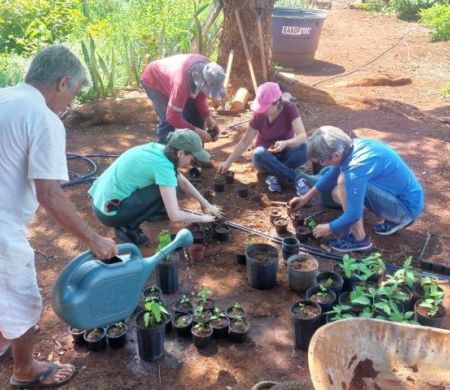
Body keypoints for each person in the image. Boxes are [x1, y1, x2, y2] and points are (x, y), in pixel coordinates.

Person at [0, 45, 117, 388]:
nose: (71, 103)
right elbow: (49, 194)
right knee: (21, 296)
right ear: (63, 82)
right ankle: (25, 370)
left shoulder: (5, 96)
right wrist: (94, 239)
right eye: (75, 92)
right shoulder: (43, 118)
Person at [288, 126, 425, 252]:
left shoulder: (355, 168)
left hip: (405, 208)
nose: (322, 164)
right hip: (407, 201)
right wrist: (305, 198)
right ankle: (395, 219)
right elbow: (331, 175)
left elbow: (353, 214)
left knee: (343, 182)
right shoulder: (352, 146)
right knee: (338, 193)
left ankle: (359, 239)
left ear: (336, 155)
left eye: (322, 161)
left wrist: (329, 228)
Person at [88, 129, 223, 246]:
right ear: (181, 153)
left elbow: (183, 181)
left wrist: (206, 204)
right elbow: (175, 216)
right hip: (111, 214)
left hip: (99, 202)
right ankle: (128, 228)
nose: (191, 165)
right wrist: (202, 218)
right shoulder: (164, 167)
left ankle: (145, 213)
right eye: (192, 160)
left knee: (171, 184)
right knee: (169, 188)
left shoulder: (158, 149)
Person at [218, 82, 309, 195]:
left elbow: (302, 135)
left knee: (305, 148)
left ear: (276, 103)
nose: (261, 110)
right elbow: (245, 141)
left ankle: (275, 176)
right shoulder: (258, 115)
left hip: (286, 154)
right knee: (258, 152)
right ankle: (296, 178)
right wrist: (228, 162)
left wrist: (286, 143)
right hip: (265, 158)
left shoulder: (290, 108)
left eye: (265, 106)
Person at [141, 54, 226, 144]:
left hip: (172, 78)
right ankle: (163, 153)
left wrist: (207, 118)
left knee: (195, 112)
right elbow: (172, 117)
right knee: (167, 122)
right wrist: (195, 130)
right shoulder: (181, 85)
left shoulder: (209, 70)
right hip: (153, 79)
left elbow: (200, 96)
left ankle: (194, 151)